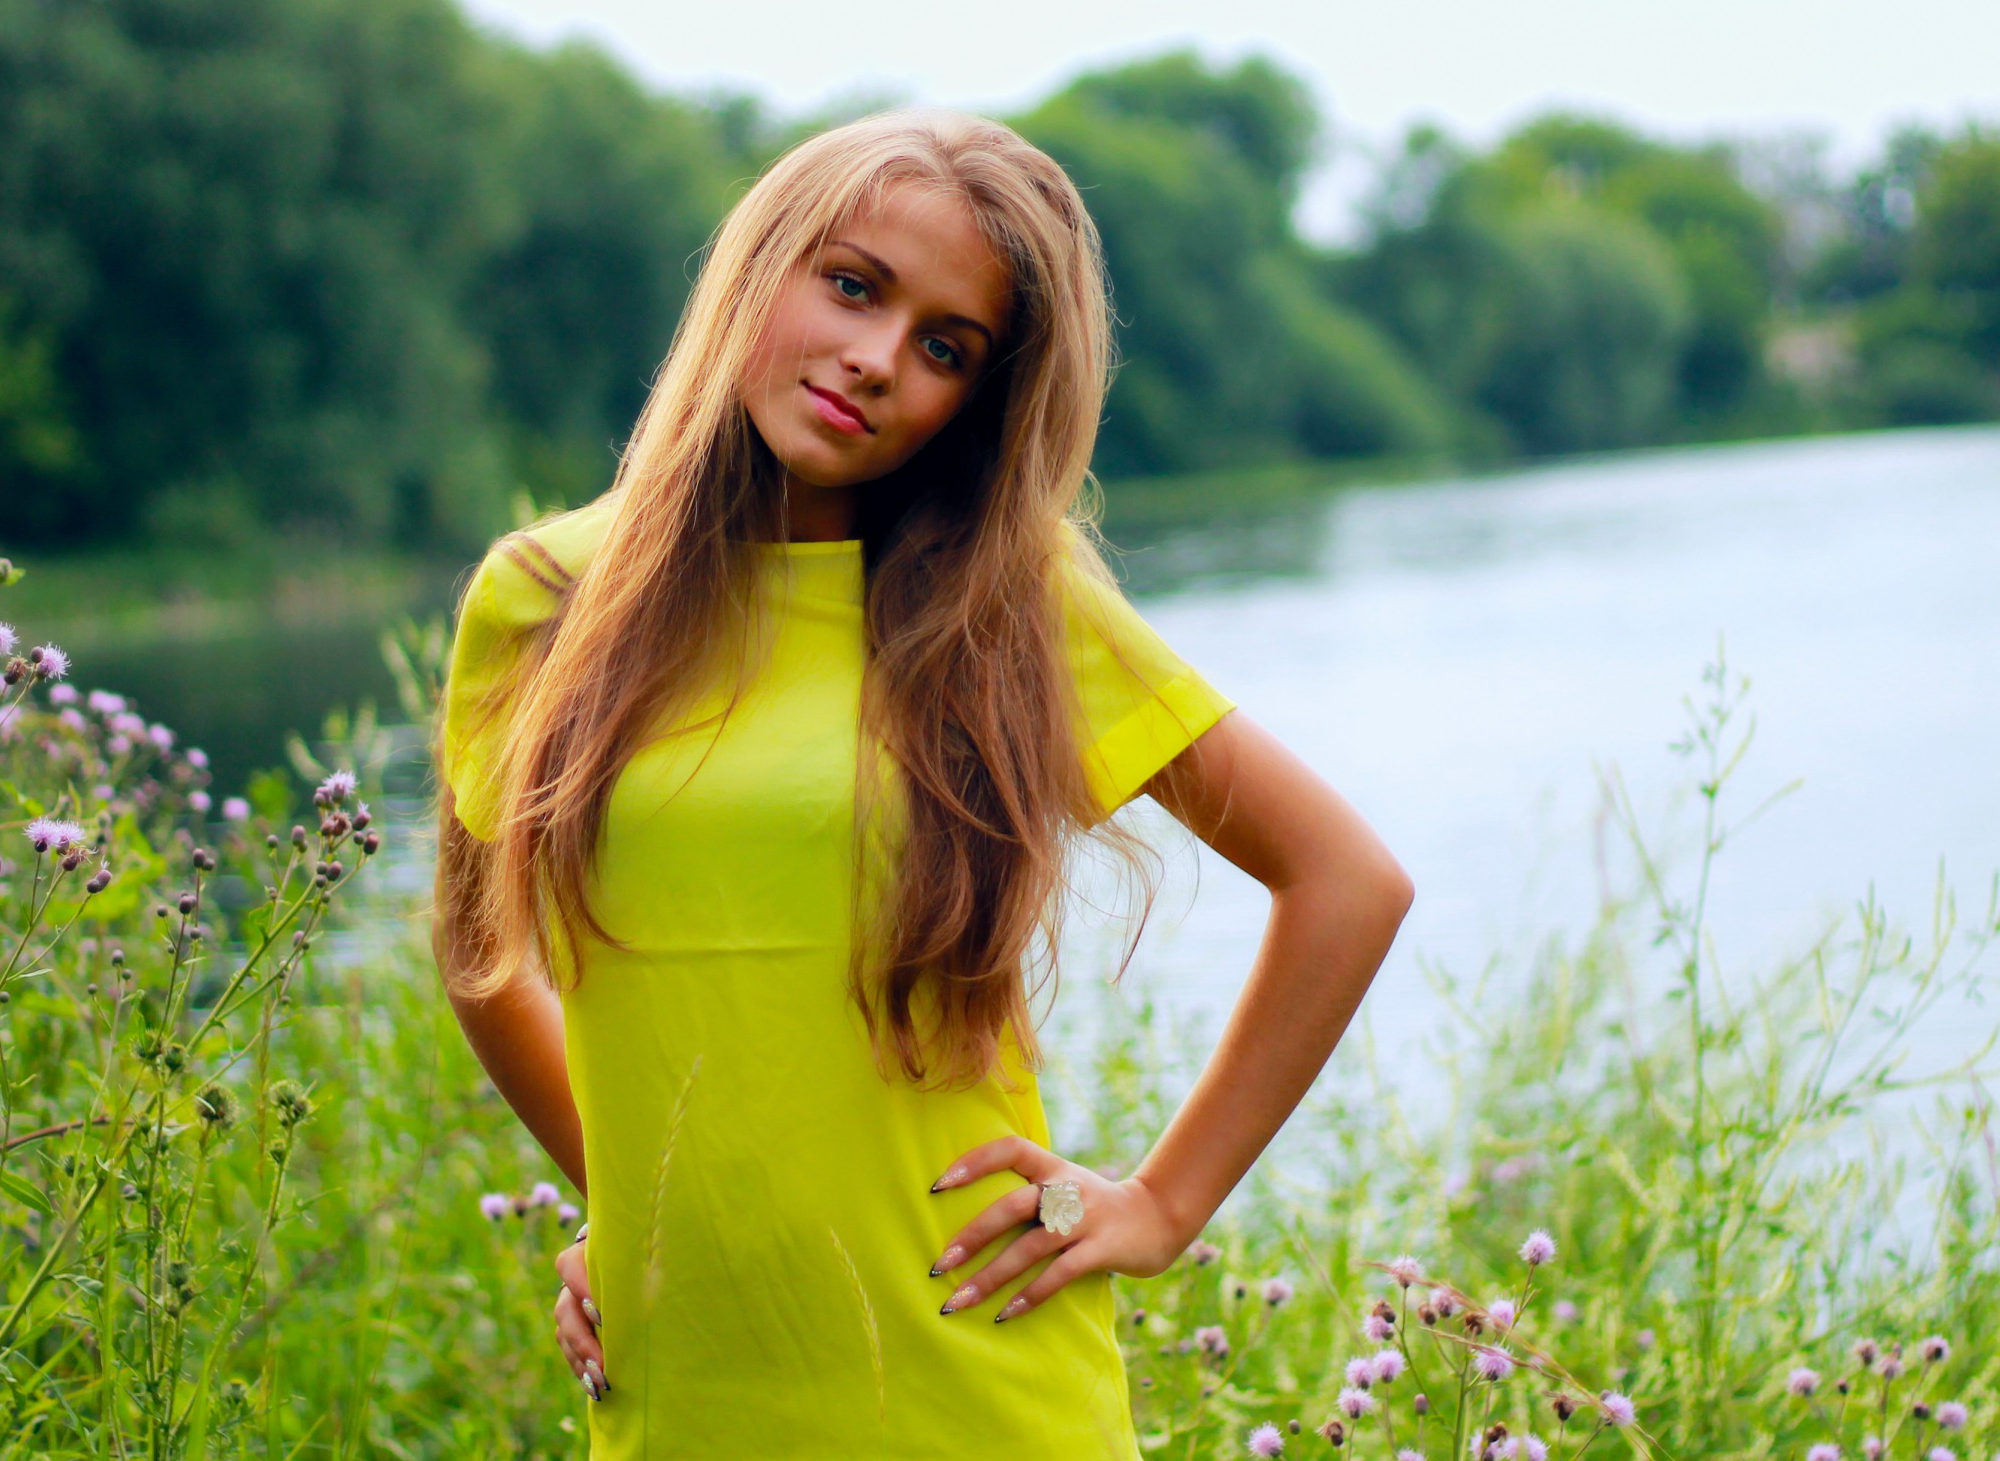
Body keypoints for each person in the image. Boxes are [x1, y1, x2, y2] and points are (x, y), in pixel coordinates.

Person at [432, 108, 1410, 1457]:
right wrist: (636, 1211)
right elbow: (482, 959)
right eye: (852, 286)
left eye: (946, 347)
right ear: (761, 265)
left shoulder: (1003, 606)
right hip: (687, 1385)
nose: (878, 358)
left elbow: (1346, 882)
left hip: (981, 1376)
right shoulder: (543, 599)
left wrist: (1159, 1206)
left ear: (976, 403)